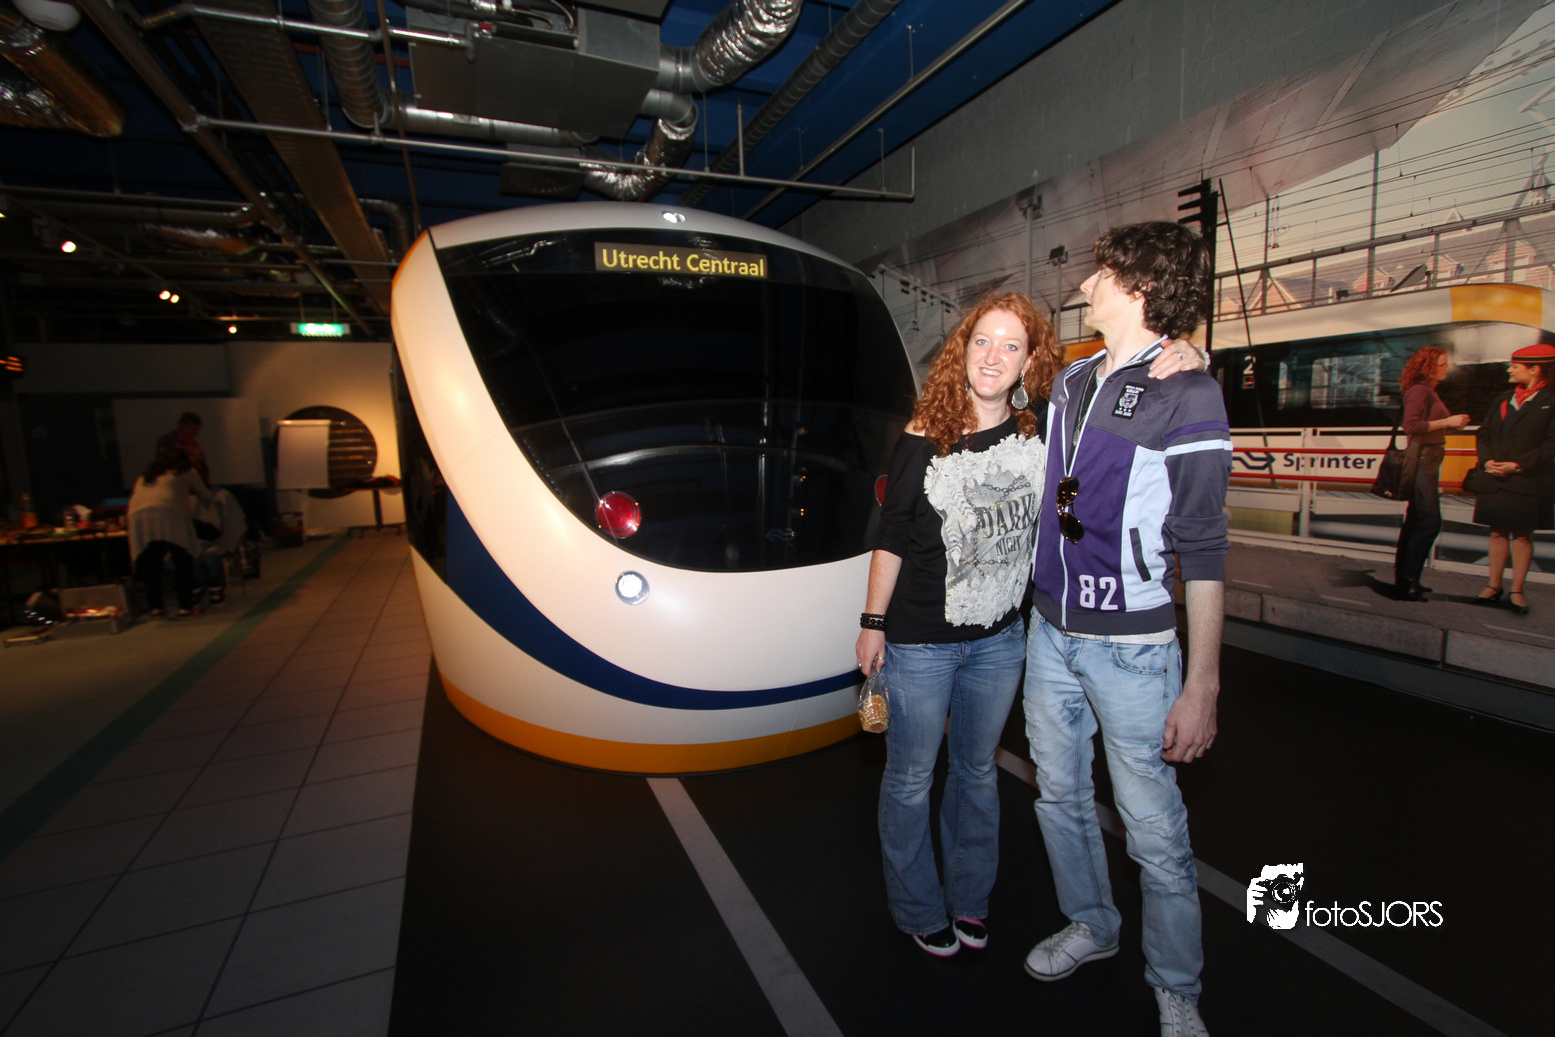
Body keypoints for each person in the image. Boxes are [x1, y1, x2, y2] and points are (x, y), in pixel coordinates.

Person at [855, 291, 1205, 960]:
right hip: (921, 640)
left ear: (1028, 362)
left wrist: (1189, 354)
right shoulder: (922, 435)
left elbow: (1122, 382)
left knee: (976, 773)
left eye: (1010, 346)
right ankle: (916, 906)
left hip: (999, 642)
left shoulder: (1041, 426)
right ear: (962, 350)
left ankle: (968, 897)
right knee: (909, 779)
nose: (993, 356)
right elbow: (892, 534)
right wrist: (873, 622)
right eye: (982, 341)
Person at [1020, 221, 1228, 1037]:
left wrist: (1201, 682)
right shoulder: (1071, 381)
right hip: (1049, 633)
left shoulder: (1188, 391)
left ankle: (1175, 985)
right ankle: (1092, 923)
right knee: (1058, 796)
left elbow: (1203, 542)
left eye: (1102, 272)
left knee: (1153, 832)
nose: (1086, 282)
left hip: (1134, 648)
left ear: (1138, 288)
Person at [1470, 342, 1555, 615]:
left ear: (1535, 369)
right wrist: (1486, 461)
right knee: (1497, 532)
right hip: (1496, 478)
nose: (1509, 370)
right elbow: (1484, 434)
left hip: (1527, 480)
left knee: (1522, 536)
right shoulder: (1504, 398)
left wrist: (1518, 466)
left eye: (1515, 366)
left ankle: (1517, 590)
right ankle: (1493, 586)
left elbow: (1552, 444)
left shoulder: (1551, 400)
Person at [1392, 346, 1470, 601]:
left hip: (1429, 459)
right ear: (1428, 366)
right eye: (1442, 364)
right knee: (1429, 520)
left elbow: (1428, 426)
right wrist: (1448, 422)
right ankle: (1407, 580)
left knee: (1416, 519)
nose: (1447, 368)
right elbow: (1411, 426)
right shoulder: (1419, 391)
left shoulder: (1428, 390)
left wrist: (1452, 425)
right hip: (1422, 461)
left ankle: (1407, 578)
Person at [128, 449, 213, 617]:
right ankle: (185, 606)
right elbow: (207, 496)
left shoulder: (147, 475)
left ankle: (156, 607)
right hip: (169, 514)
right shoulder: (187, 472)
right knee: (183, 560)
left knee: (152, 564)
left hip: (139, 517)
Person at [156, 411, 209, 486]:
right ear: (180, 426)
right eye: (190, 428)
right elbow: (162, 463)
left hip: (192, 482)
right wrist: (190, 459)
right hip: (174, 482)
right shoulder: (167, 441)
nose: (193, 432)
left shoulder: (191, 442)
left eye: (196, 430)